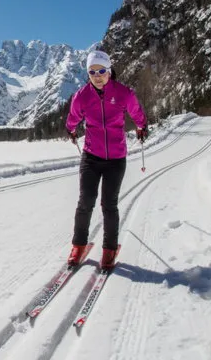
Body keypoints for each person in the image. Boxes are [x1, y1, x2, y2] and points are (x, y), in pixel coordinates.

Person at [65, 51, 148, 269]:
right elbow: (73, 117)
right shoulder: (82, 96)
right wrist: (71, 129)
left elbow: (136, 112)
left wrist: (141, 126)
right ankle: (78, 245)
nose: (98, 76)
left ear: (109, 71)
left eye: (101, 71)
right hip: (91, 156)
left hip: (116, 159)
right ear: (88, 74)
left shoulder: (124, 93)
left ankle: (109, 250)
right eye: (92, 72)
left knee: (108, 205)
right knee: (85, 202)